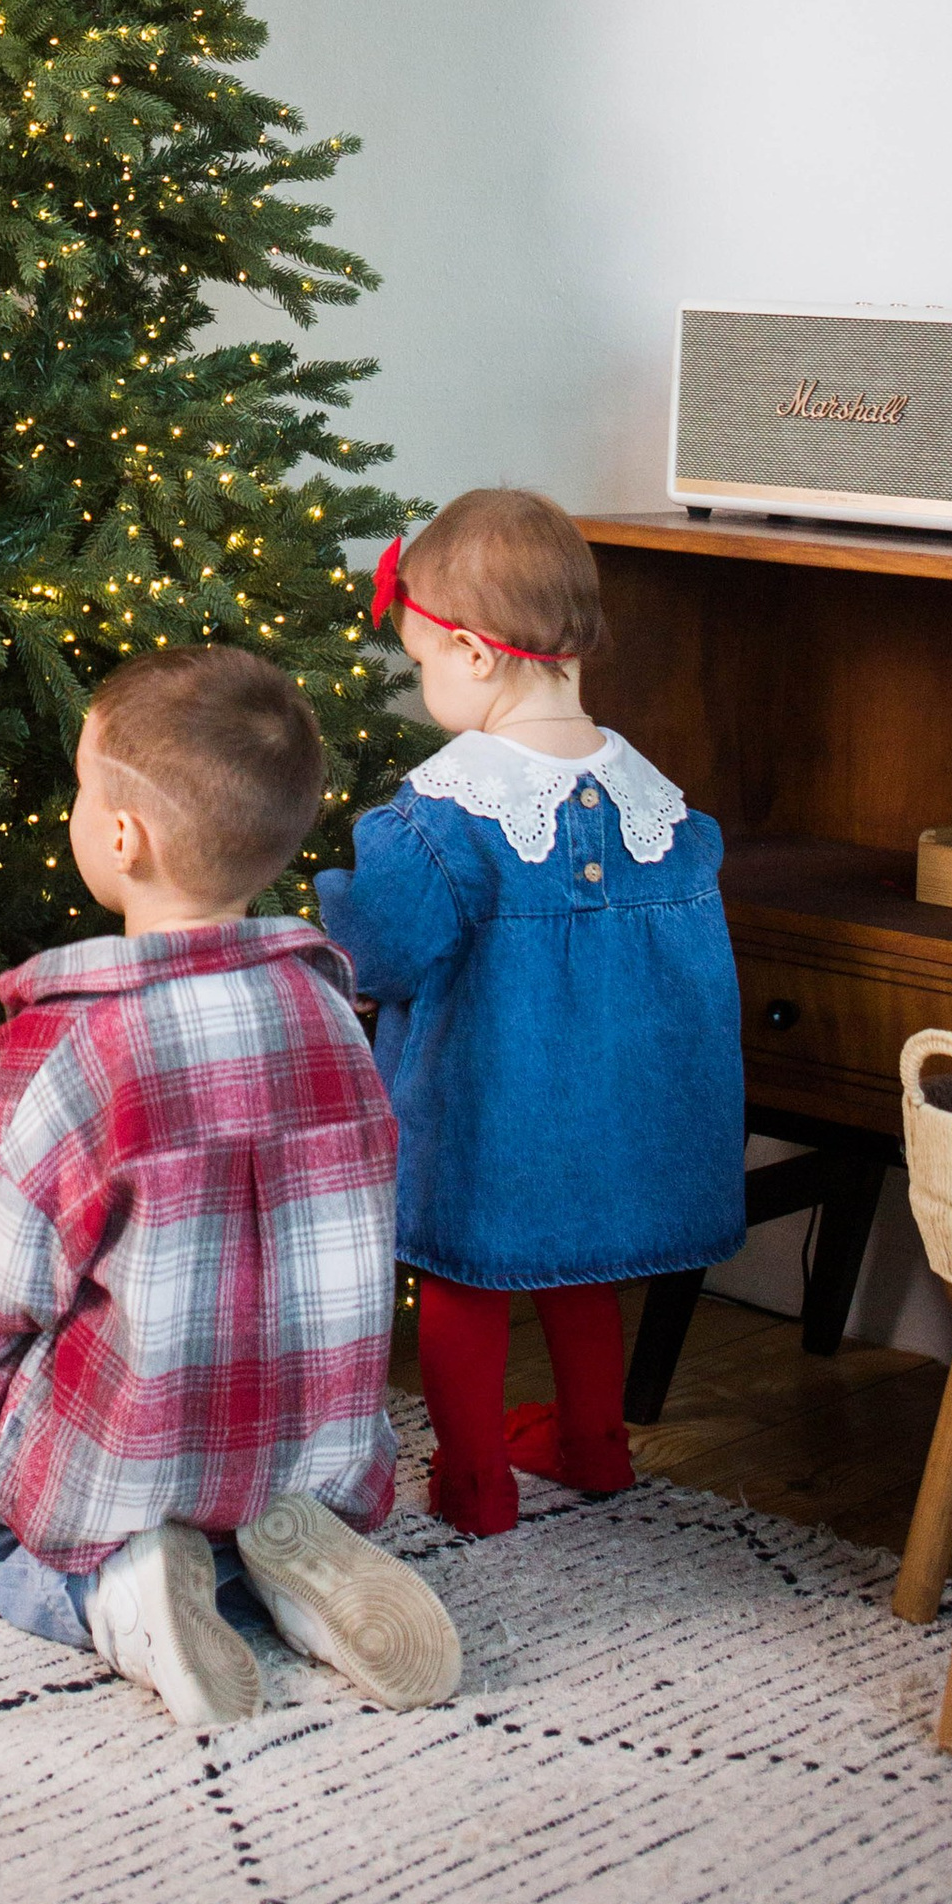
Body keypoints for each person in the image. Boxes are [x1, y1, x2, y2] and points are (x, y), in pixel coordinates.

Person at [0, 646, 460, 1729]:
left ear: (123, 837)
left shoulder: (72, 1045)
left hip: (129, 1448)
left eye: (81, 787)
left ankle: (114, 1590)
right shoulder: (329, 1015)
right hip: (314, 1440)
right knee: (248, 1440)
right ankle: (284, 1564)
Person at [316, 488, 745, 1537]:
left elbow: (385, 949)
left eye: (419, 665)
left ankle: (474, 1480)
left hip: (488, 1113)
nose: (423, 688)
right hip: (615, 1120)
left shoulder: (446, 818)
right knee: (578, 1274)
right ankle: (594, 1446)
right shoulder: (663, 811)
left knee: (464, 1282)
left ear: (471, 654)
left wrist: (340, 937)